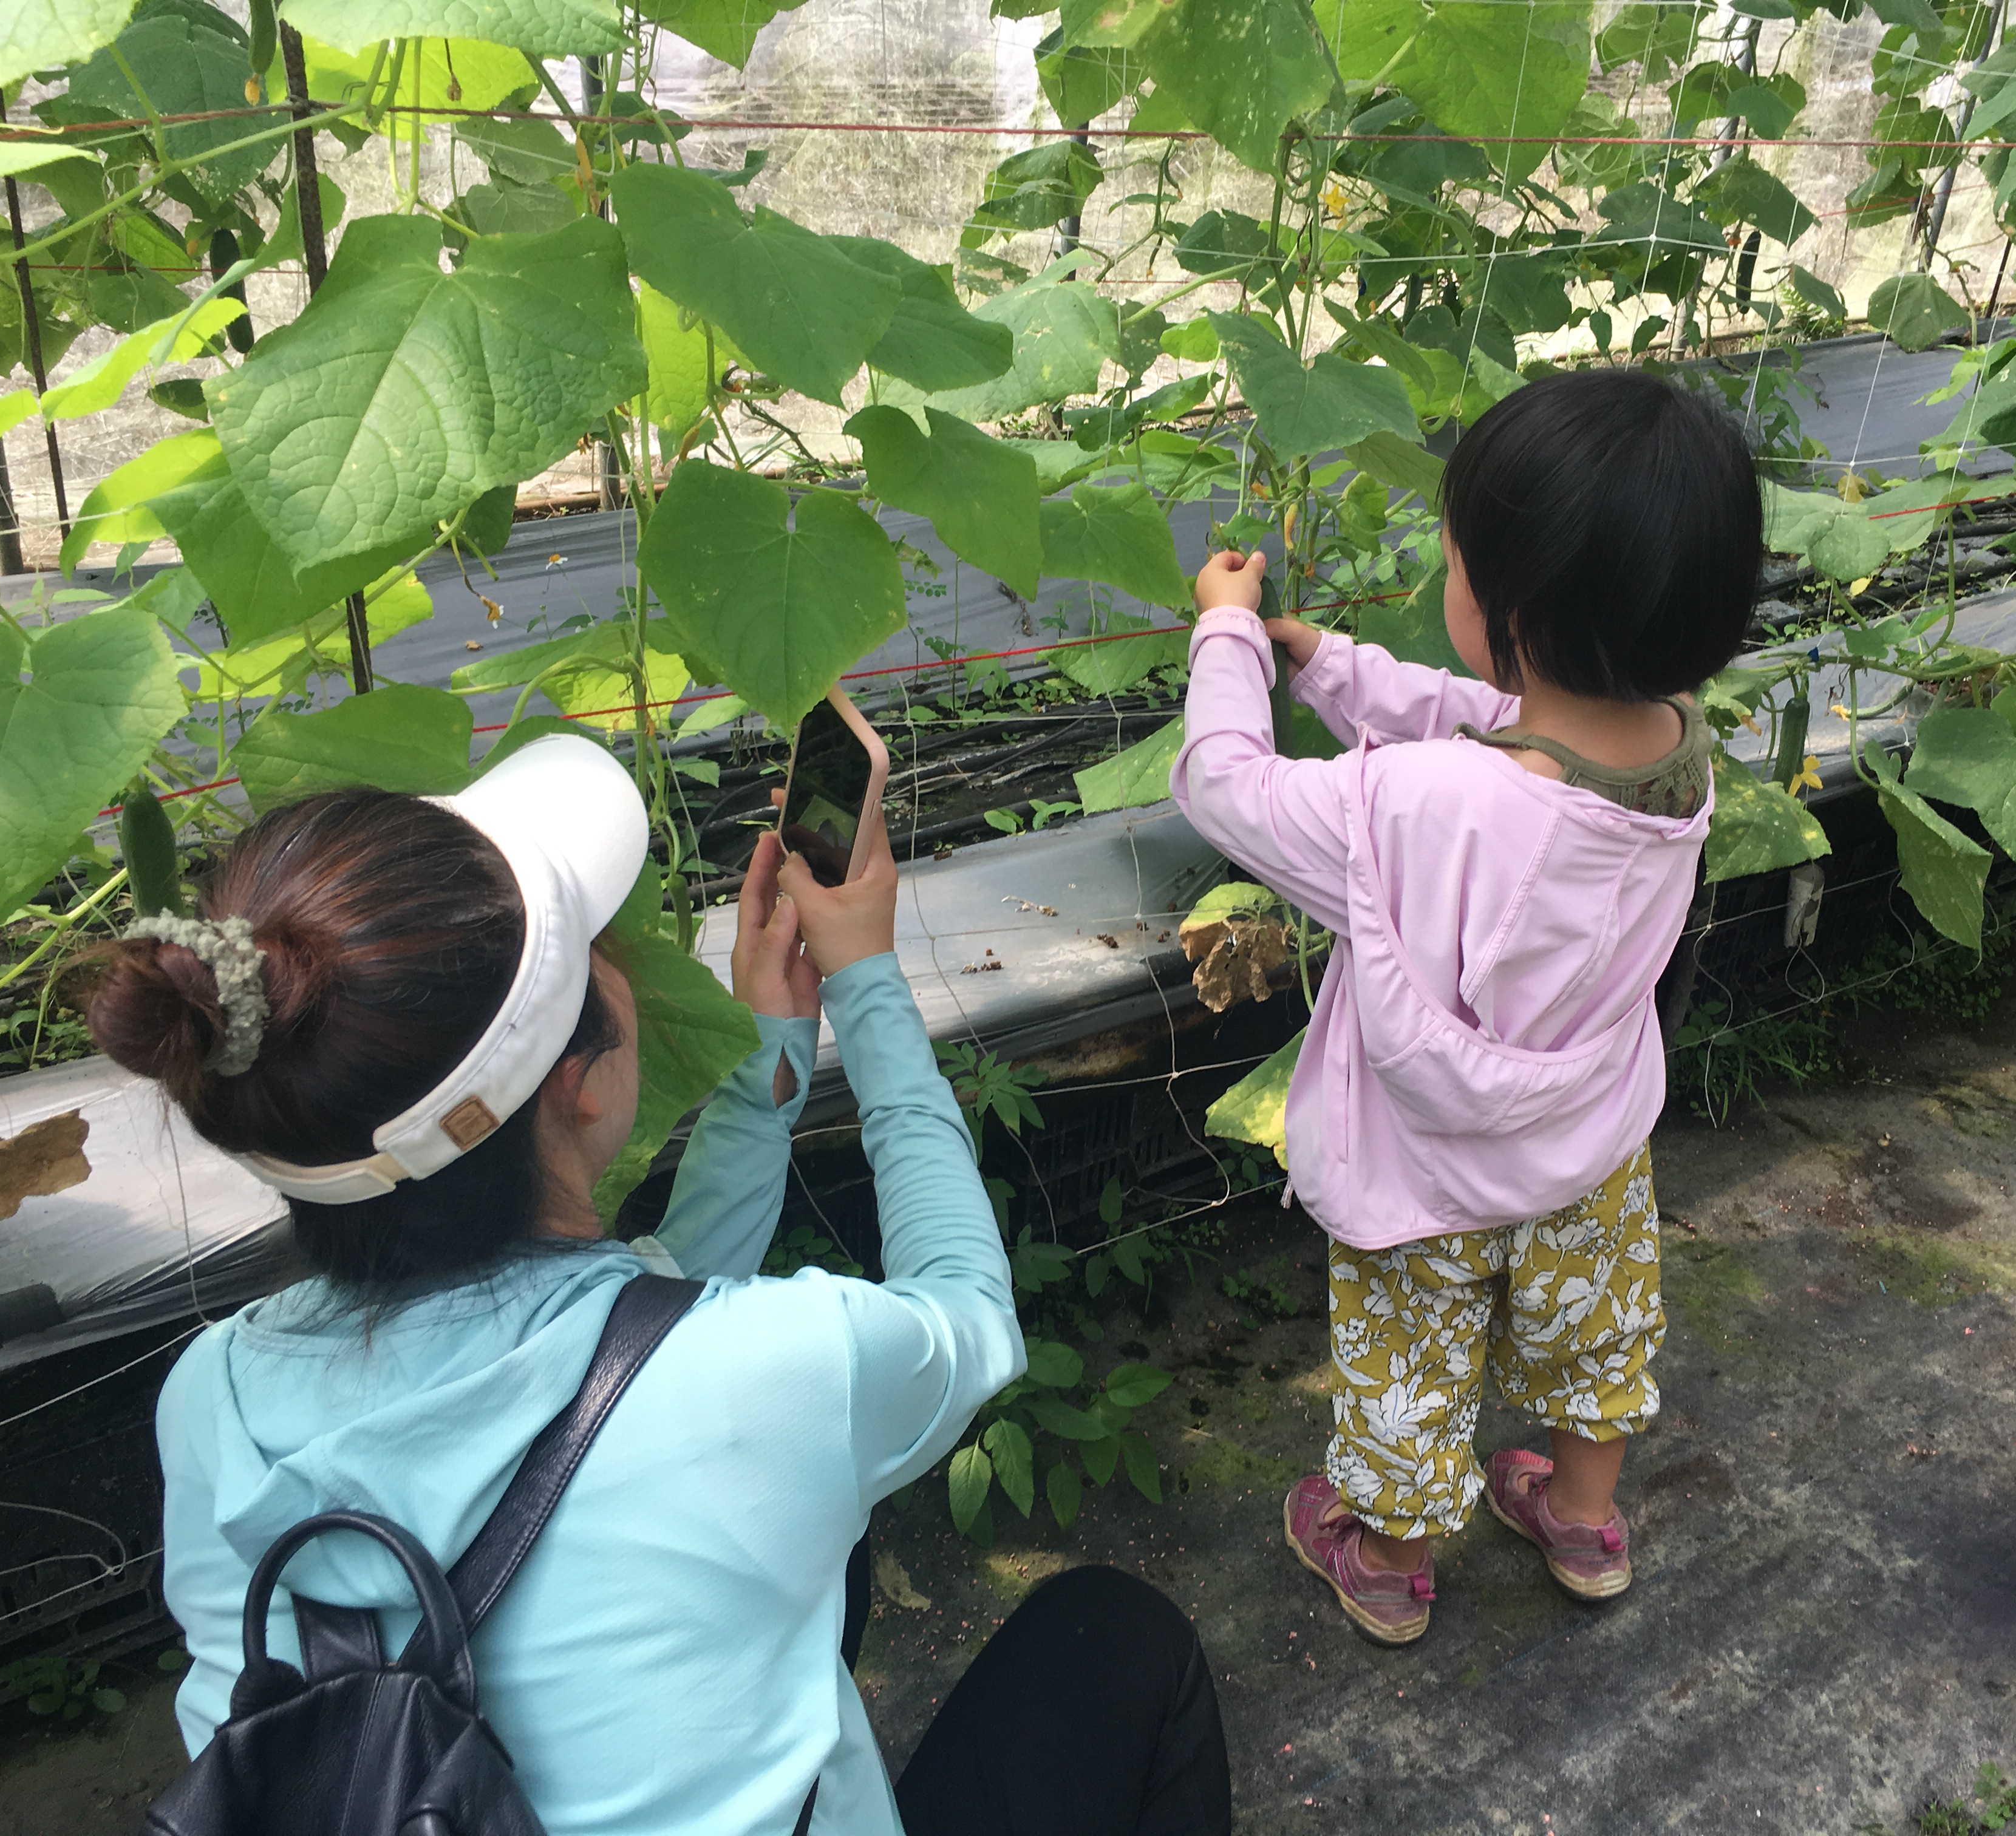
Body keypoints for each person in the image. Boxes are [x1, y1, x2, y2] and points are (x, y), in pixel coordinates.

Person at [84, 734, 1231, 1834]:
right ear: (581, 1084)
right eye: (602, 943)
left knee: (834, 1557)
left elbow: (633, 1345)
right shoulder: (772, 1379)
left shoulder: (212, 1400)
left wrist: (776, 1047)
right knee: (1122, 1644)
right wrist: (871, 984)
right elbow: (971, 1316)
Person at [1171, 369, 1760, 1646]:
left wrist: (1226, 634)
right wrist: (1332, 668)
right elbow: (1502, 724)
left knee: (1409, 1361)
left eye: (1453, 561)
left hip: (1426, 1177)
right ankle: (1584, 1519)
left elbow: (1224, 784)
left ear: (1513, 611)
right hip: (1589, 1145)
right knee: (1596, 1328)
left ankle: (1385, 1558)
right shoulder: (1671, 746)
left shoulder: (1412, 812)